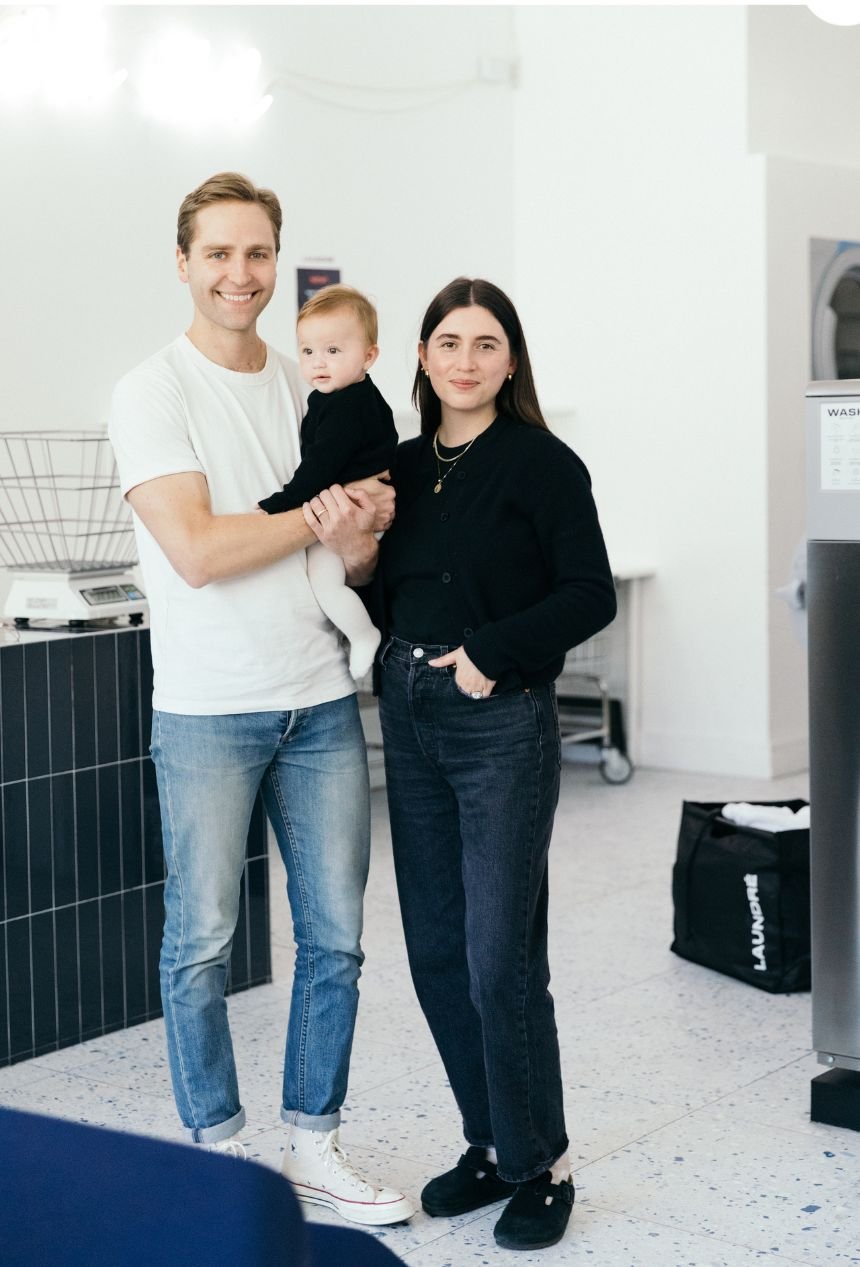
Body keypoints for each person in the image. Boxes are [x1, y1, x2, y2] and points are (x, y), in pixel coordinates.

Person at [107, 171, 414, 1228]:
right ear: (184, 262)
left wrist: (363, 525)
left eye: (256, 253)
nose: (240, 273)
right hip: (205, 709)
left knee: (334, 940)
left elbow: (359, 558)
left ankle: (315, 1141)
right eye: (219, 253)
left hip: (320, 698)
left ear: (276, 262)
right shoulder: (151, 389)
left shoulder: (311, 381)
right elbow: (196, 549)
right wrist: (316, 514)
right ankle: (217, 1149)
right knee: (200, 938)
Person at [369, 277, 616, 1251]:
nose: (463, 360)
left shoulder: (541, 464)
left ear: (509, 361)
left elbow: (588, 593)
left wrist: (489, 651)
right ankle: (488, 1144)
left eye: (484, 343)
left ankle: (540, 1162)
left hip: (496, 719)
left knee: (497, 961)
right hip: (406, 708)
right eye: (446, 341)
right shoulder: (397, 466)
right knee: (433, 951)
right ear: (421, 357)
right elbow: (389, 586)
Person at [258, 284, 398, 678]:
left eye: (333, 351)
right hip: (355, 503)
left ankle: (363, 634)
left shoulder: (347, 407)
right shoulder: (341, 395)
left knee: (325, 583)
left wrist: (277, 505)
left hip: (357, 512)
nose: (319, 362)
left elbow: (320, 466)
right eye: (308, 351)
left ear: (369, 356)